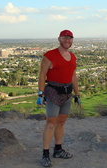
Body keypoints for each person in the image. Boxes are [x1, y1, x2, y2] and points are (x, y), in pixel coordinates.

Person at [38, 30, 81, 167]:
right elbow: (42, 75)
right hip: (52, 92)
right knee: (51, 122)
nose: (67, 40)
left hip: (67, 93)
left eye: (70, 38)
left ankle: (58, 149)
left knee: (61, 122)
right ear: (59, 39)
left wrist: (77, 94)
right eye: (65, 38)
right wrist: (40, 94)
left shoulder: (73, 57)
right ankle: (45, 154)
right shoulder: (49, 56)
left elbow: (73, 76)